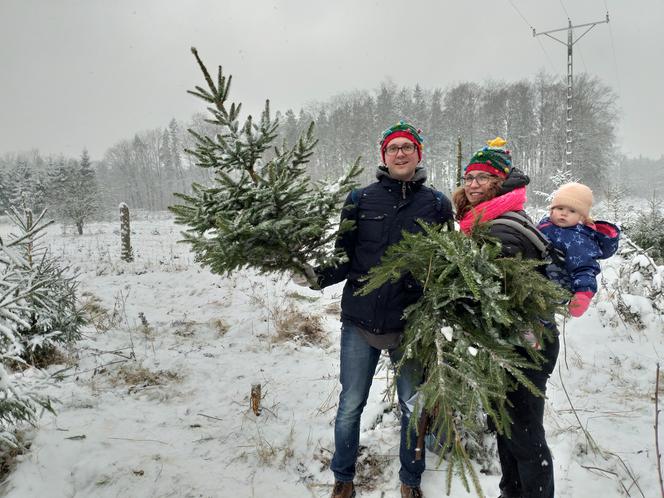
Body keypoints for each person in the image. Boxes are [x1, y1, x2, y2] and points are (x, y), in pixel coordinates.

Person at [296, 121, 453, 498]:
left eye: (407, 147)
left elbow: (448, 264)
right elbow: (344, 257)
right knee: (351, 403)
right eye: (393, 148)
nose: (400, 153)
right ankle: (343, 478)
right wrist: (315, 276)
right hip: (360, 320)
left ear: (419, 154)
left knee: (413, 406)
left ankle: (411, 480)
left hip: (411, 323)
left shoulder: (436, 204)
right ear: (383, 156)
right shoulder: (360, 200)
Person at [452, 137, 558, 498]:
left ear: (499, 183)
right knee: (505, 427)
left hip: (528, 341)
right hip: (506, 339)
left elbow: (490, 287)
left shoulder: (502, 226)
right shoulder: (484, 220)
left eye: (483, 177)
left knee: (525, 434)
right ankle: (511, 492)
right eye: (469, 177)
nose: (473, 184)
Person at [537, 182, 620, 317]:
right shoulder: (545, 224)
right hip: (535, 279)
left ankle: (532, 335)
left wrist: (583, 294)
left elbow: (585, 268)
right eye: (560, 208)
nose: (564, 213)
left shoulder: (578, 239)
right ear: (551, 210)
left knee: (540, 317)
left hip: (555, 287)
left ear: (582, 217)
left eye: (572, 211)